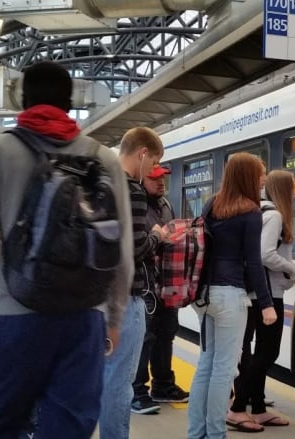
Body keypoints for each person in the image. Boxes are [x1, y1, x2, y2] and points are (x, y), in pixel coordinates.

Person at [0, 61, 133, 439]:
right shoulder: (105, 159)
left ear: (22, 100)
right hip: (84, 321)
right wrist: (114, 318)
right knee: (68, 430)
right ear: (70, 102)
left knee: (4, 427)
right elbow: (122, 251)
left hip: (19, 316)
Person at [187, 152, 277, 439]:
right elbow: (253, 261)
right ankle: (216, 434)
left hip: (205, 295)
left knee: (206, 366)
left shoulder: (212, 204)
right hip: (230, 296)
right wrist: (266, 303)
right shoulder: (250, 211)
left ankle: (197, 434)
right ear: (247, 176)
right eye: (260, 173)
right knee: (224, 371)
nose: (263, 178)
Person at [101, 126, 168, 438]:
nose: (152, 169)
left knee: (101, 378)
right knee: (118, 384)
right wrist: (157, 236)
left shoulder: (100, 182)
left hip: (96, 297)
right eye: (153, 161)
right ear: (143, 153)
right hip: (126, 299)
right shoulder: (132, 189)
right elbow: (135, 247)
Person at [227, 170, 295, 430]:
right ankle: (237, 408)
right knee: (268, 352)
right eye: (292, 188)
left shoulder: (263, 211)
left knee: (257, 351)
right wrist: (290, 267)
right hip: (266, 294)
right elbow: (265, 254)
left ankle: (257, 408)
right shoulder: (276, 215)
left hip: (258, 292)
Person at [131, 164, 191, 414]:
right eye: (154, 178)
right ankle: (137, 392)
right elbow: (137, 244)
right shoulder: (136, 204)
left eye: (163, 178)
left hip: (167, 280)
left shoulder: (165, 204)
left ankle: (163, 385)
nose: (161, 182)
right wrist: (157, 238)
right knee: (145, 336)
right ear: (142, 178)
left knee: (167, 331)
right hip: (145, 281)